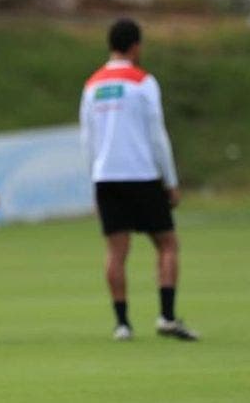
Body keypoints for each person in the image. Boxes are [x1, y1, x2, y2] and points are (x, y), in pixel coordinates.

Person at [79, 18, 198, 341]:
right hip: (141, 174)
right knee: (167, 243)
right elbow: (157, 135)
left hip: (106, 176)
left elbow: (87, 140)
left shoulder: (92, 85)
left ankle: (122, 324)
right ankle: (167, 317)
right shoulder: (143, 81)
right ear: (135, 46)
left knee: (116, 251)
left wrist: (94, 182)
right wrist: (170, 180)